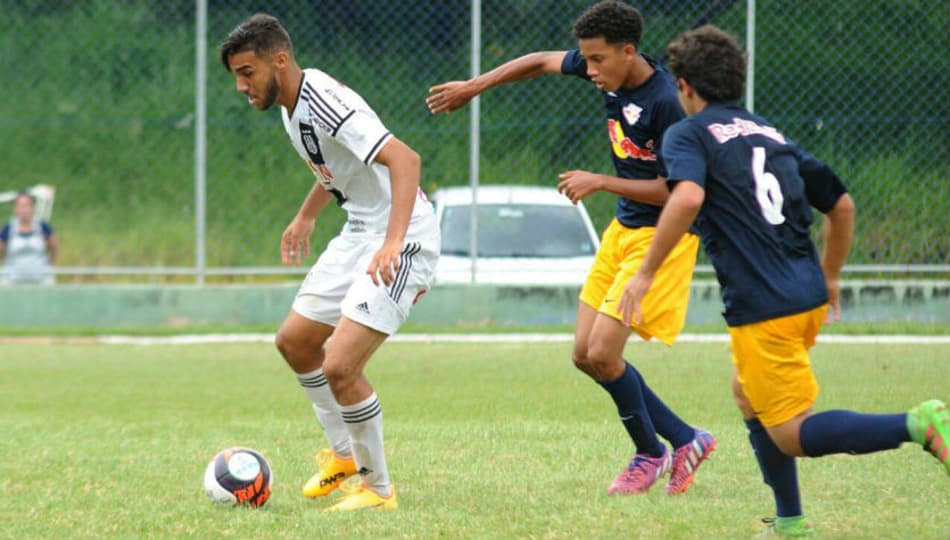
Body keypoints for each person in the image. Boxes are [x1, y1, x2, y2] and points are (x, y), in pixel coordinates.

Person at [618, 25, 949, 536]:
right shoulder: (770, 133)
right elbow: (841, 205)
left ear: (684, 86)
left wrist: (644, 275)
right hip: (806, 296)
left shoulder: (690, 133)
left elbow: (685, 198)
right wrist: (831, 276)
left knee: (791, 433)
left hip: (764, 307)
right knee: (748, 394)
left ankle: (918, 423)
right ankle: (790, 522)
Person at [427, 0, 715, 496]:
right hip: (621, 232)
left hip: (661, 238)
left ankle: (651, 453)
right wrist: (474, 87)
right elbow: (539, 61)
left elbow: (678, 190)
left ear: (629, 52)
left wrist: (602, 181)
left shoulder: (667, 102)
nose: (591, 69)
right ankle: (686, 439)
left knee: (604, 352)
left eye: (599, 60)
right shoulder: (604, 69)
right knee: (585, 355)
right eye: (587, 60)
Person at [219, 13, 440, 512]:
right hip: (359, 230)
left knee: (340, 363)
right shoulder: (288, 104)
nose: (241, 85)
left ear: (279, 60)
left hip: (402, 234)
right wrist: (304, 218)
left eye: (247, 71)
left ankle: (378, 490)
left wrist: (393, 241)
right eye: (236, 74)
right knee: (295, 342)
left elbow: (404, 159)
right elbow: (336, 168)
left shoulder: (321, 99)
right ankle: (343, 457)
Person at [0, 192, 58, 285]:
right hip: (13, 280)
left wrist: (46, 267)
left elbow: (54, 249)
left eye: (27, 205)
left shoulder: (43, 227)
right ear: (15, 208)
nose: (24, 210)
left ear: (33, 207)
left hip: (40, 279)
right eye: (21, 206)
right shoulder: (7, 229)